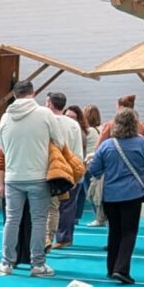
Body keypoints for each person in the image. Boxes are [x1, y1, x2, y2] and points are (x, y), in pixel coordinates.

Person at [0, 79, 63, 277]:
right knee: (39, 220)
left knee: (11, 220)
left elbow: (3, 148)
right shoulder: (44, 114)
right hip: (38, 176)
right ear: (33, 93)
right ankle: (38, 264)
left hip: (13, 177)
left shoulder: (5, 118)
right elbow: (59, 141)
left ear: (15, 95)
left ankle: (6, 263)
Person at [86, 108, 144, 285]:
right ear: (135, 124)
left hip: (110, 195)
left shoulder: (107, 145)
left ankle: (111, 268)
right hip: (133, 194)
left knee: (114, 231)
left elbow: (94, 170)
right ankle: (122, 269)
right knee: (129, 232)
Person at [44, 91, 85, 249]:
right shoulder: (73, 124)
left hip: (47, 169)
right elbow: (77, 151)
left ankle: (46, 237)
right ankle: (63, 238)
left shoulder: (44, 121)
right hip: (68, 169)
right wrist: (77, 174)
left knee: (48, 207)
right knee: (66, 207)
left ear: (49, 103)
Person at [52, 105, 96, 246]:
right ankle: (63, 236)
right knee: (65, 205)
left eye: (72, 117)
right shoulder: (64, 130)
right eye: (67, 116)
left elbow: (80, 154)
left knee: (68, 205)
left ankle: (64, 237)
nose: (69, 119)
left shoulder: (81, 133)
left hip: (73, 170)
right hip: (63, 170)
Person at [84, 104, 106, 226]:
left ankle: (98, 217)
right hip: (101, 165)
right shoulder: (102, 128)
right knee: (100, 193)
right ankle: (102, 216)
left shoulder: (88, 131)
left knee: (91, 193)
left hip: (89, 165)